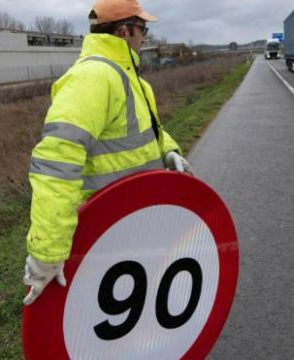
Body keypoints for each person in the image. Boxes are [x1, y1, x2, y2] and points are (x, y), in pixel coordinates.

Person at [22, 0, 193, 305]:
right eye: (143, 29)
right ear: (124, 31)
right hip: (101, 234)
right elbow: (56, 164)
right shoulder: (93, 78)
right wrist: (47, 253)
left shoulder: (132, 80)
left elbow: (149, 130)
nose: (145, 37)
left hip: (137, 221)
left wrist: (169, 150)